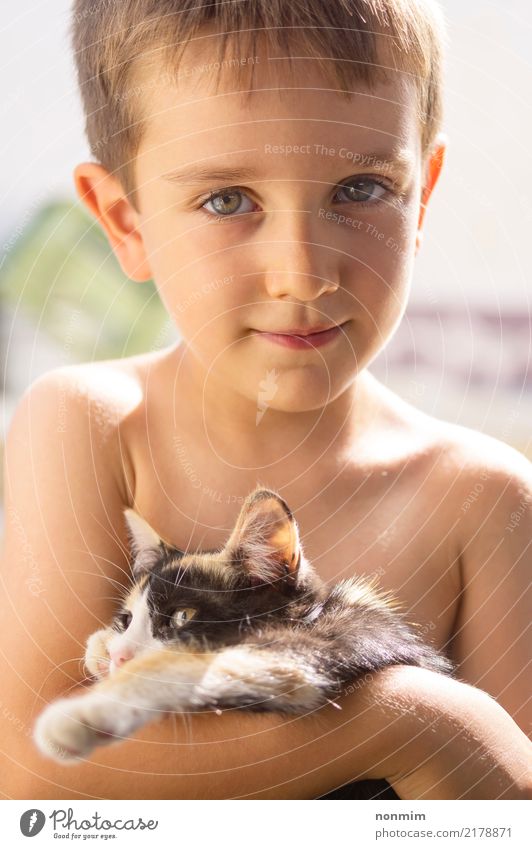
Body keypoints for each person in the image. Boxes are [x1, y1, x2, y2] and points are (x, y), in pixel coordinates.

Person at [0, 0, 530, 800]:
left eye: (361, 187)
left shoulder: (484, 497)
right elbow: (29, 775)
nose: (304, 272)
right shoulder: (90, 423)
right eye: (226, 200)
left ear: (421, 195)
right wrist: (413, 723)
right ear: (126, 220)